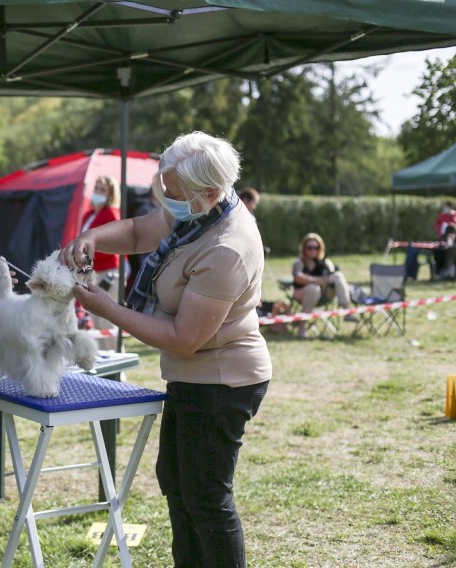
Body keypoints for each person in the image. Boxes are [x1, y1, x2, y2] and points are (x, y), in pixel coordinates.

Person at [61, 131, 271, 567]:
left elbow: (183, 338)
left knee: (206, 499)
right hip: (190, 376)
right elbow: (140, 231)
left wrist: (107, 307)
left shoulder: (227, 247)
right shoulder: (198, 209)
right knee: (176, 484)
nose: (165, 199)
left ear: (209, 192)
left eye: (172, 194)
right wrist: (93, 238)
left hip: (220, 380)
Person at [81, 175, 123, 348]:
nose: (97, 192)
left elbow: (117, 245)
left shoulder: (111, 213)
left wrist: (86, 254)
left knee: (108, 324)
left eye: (102, 190)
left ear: (110, 194)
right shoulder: (89, 215)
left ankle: (118, 372)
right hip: (90, 274)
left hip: (108, 274)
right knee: (95, 323)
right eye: (96, 188)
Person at [291, 232, 357, 338]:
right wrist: (318, 280)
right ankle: (301, 329)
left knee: (338, 276)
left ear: (320, 248)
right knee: (313, 289)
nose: (313, 250)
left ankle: (347, 311)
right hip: (303, 294)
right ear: (304, 248)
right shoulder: (299, 262)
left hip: (323, 296)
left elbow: (331, 276)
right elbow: (298, 278)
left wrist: (327, 279)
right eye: (310, 247)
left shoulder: (325, 262)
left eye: (316, 247)